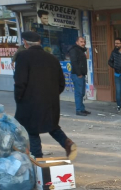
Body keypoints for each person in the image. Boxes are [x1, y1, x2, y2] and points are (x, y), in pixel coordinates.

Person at [14, 31, 77, 160]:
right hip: (50, 101)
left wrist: (18, 97)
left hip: (29, 101)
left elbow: (20, 81)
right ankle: (67, 143)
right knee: (51, 125)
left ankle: (38, 159)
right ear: (40, 42)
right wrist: (51, 95)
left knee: (31, 129)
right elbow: (61, 82)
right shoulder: (52, 58)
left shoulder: (23, 56)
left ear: (25, 42)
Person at [68, 36, 90, 116]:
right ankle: (78, 110)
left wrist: (87, 50)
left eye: (84, 42)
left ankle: (82, 108)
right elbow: (74, 62)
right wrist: (79, 74)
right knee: (78, 93)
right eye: (81, 41)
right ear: (77, 42)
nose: (83, 43)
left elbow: (87, 57)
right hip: (77, 75)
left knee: (82, 93)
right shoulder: (74, 50)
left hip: (82, 74)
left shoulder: (81, 50)